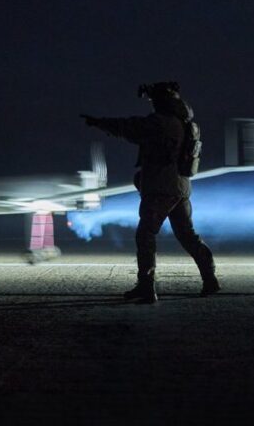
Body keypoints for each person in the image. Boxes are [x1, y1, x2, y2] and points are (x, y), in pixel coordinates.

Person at [81, 82, 220, 304]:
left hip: (161, 188)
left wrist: (99, 123)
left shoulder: (162, 123)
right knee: (187, 235)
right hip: (180, 187)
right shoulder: (185, 124)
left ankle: (146, 287)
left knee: (145, 234)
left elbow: (130, 128)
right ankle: (210, 279)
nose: (152, 104)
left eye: (154, 100)